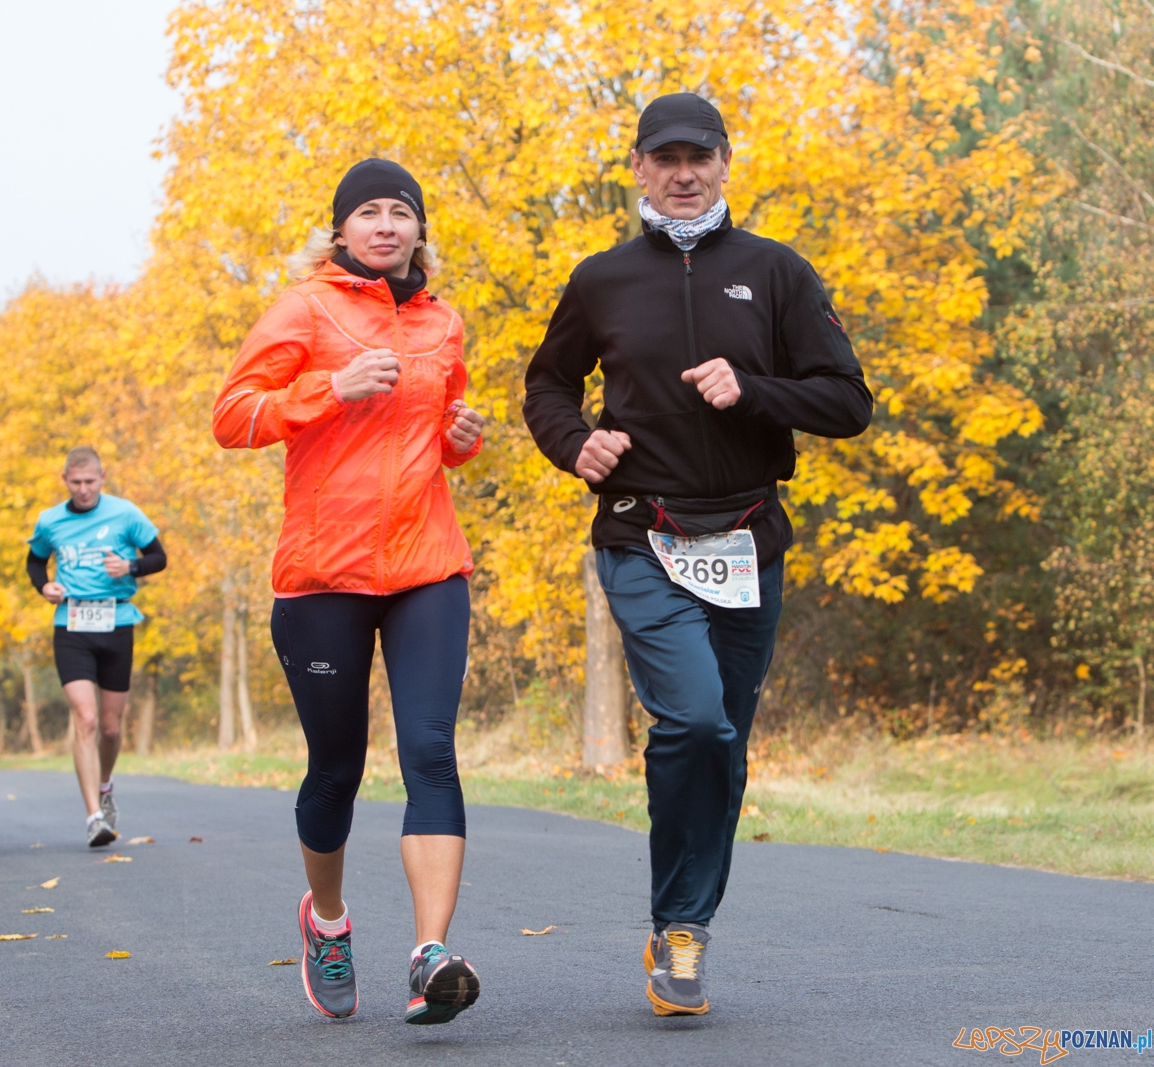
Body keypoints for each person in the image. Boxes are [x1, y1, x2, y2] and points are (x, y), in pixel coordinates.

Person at [523, 92, 874, 1016]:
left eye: (700, 157)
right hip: (642, 531)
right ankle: (682, 927)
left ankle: (683, 922)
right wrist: (575, 443)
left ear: (725, 163)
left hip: (748, 537)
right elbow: (548, 385)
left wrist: (753, 388)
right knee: (696, 722)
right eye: (665, 157)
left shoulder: (776, 272)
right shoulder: (601, 279)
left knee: (725, 741)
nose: (683, 174)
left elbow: (848, 401)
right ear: (638, 167)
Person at [214, 159, 487, 1026]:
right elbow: (232, 415)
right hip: (323, 573)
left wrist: (459, 438)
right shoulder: (306, 308)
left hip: (427, 565)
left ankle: (429, 954)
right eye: (367, 211)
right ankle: (327, 921)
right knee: (337, 767)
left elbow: (434, 436)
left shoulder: (443, 322)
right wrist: (328, 388)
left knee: (431, 751)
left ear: (417, 231)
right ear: (341, 232)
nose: (385, 224)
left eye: (400, 211)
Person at [26, 446, 166, 848]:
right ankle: (93, 817)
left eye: (90, 482)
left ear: (102, 478)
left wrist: (131, 567)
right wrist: (44, 586)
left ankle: (105, 785)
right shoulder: (50, 520)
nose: (84, 489)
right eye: (76, 482)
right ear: (65, 480)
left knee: (109, 725)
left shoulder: (125, 513)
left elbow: (159, 557)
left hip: (117, 621)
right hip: (70, 624)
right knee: (84, 719)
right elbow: (35, 562)